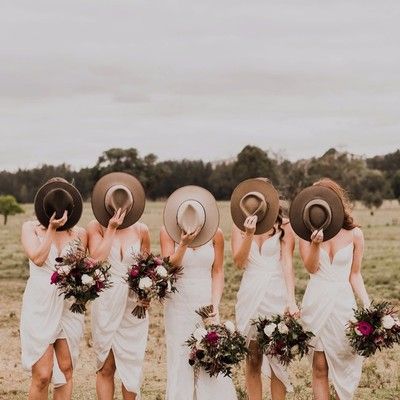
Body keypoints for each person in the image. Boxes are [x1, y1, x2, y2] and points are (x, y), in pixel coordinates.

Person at [161, 185, 238, 400]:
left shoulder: (217, 235)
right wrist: (183, 245)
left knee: (210, 356)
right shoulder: (168, 233)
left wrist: (215, 304)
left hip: (206, 302)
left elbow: (218, 270)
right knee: (181, 357)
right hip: (178, 303)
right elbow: (168, 268)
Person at [295, 178, 369, 400]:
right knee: (319, 367)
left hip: (342, 304)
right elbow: (311, 267)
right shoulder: (304, 234)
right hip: (317, 302)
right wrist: (315, 244)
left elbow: (355, 274)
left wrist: (367, 303)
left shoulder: (355, 234)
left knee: (345, 362)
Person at [231, 178, 298, 400]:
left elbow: (288, 264)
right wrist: (248, 234)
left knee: (277, 355)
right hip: (250, 292)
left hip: (275, 292)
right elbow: (239, 262)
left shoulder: (285, 226)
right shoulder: (237, 225)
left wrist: (291, 300)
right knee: (252, 357)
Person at [20, 177, 86, 400]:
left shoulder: (79, 234)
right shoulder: (30, 228)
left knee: (66, 370)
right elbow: (38, 258)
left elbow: (81, 269)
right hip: (40, 304)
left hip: (68, 306)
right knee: (42, 375)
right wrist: (51, 228)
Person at [88, 172, 150, 400]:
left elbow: (147, 269)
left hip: (133, 304)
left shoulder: (141, 230)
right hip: (106, 300)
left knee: (131, 365)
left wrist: (148, 294)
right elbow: (96, 259)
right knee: (106, 365)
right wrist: (111, 229)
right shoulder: (96, 227)